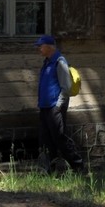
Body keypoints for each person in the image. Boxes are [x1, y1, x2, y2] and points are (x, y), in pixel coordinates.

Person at [36, 34, 84, 173]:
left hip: (54, 108)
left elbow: (66, 87)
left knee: (60, 138)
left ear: (49, 47)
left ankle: (78, 166)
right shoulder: (47, 62)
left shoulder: (59, 62)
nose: (38, 48)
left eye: (41, 45)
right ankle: (50, 169)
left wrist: (58, 106)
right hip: (44, 107)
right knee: (46, 140)